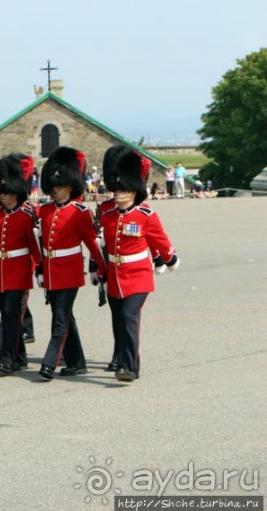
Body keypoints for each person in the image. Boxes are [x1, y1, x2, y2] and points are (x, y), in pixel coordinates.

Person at [99, 147, 179, 381]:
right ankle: (131, 362)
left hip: (138, 275)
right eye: (117, 190)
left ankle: (128, 367)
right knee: (120, 321)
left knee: (129, 316)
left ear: (134, 192)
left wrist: (170, 259)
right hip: (115, 276)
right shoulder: (108, 216)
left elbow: (161, 241)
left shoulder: (146, 216)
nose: (118, 194)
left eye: (123, 191)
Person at [37, 147, 106, 380]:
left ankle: (49, 362)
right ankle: (77, 362)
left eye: (62, 186)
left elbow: (93, 245)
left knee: (60, 317)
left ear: (71, 186)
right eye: (54, 186)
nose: (57, 191)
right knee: (66, 316)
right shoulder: (45, 211)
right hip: (50, 271)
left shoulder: (80, 212)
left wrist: (100, 269)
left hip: (69, 271)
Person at [0, 153, 41, 374]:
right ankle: (19, 357)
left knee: (11, 313)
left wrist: (40, 269)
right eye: (1, 193)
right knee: (7, 315)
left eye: (8, 193)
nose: (4, 197)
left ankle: (8, 358)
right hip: (1, 271)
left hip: (19, 271)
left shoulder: (28, 215)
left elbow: (36, 246)